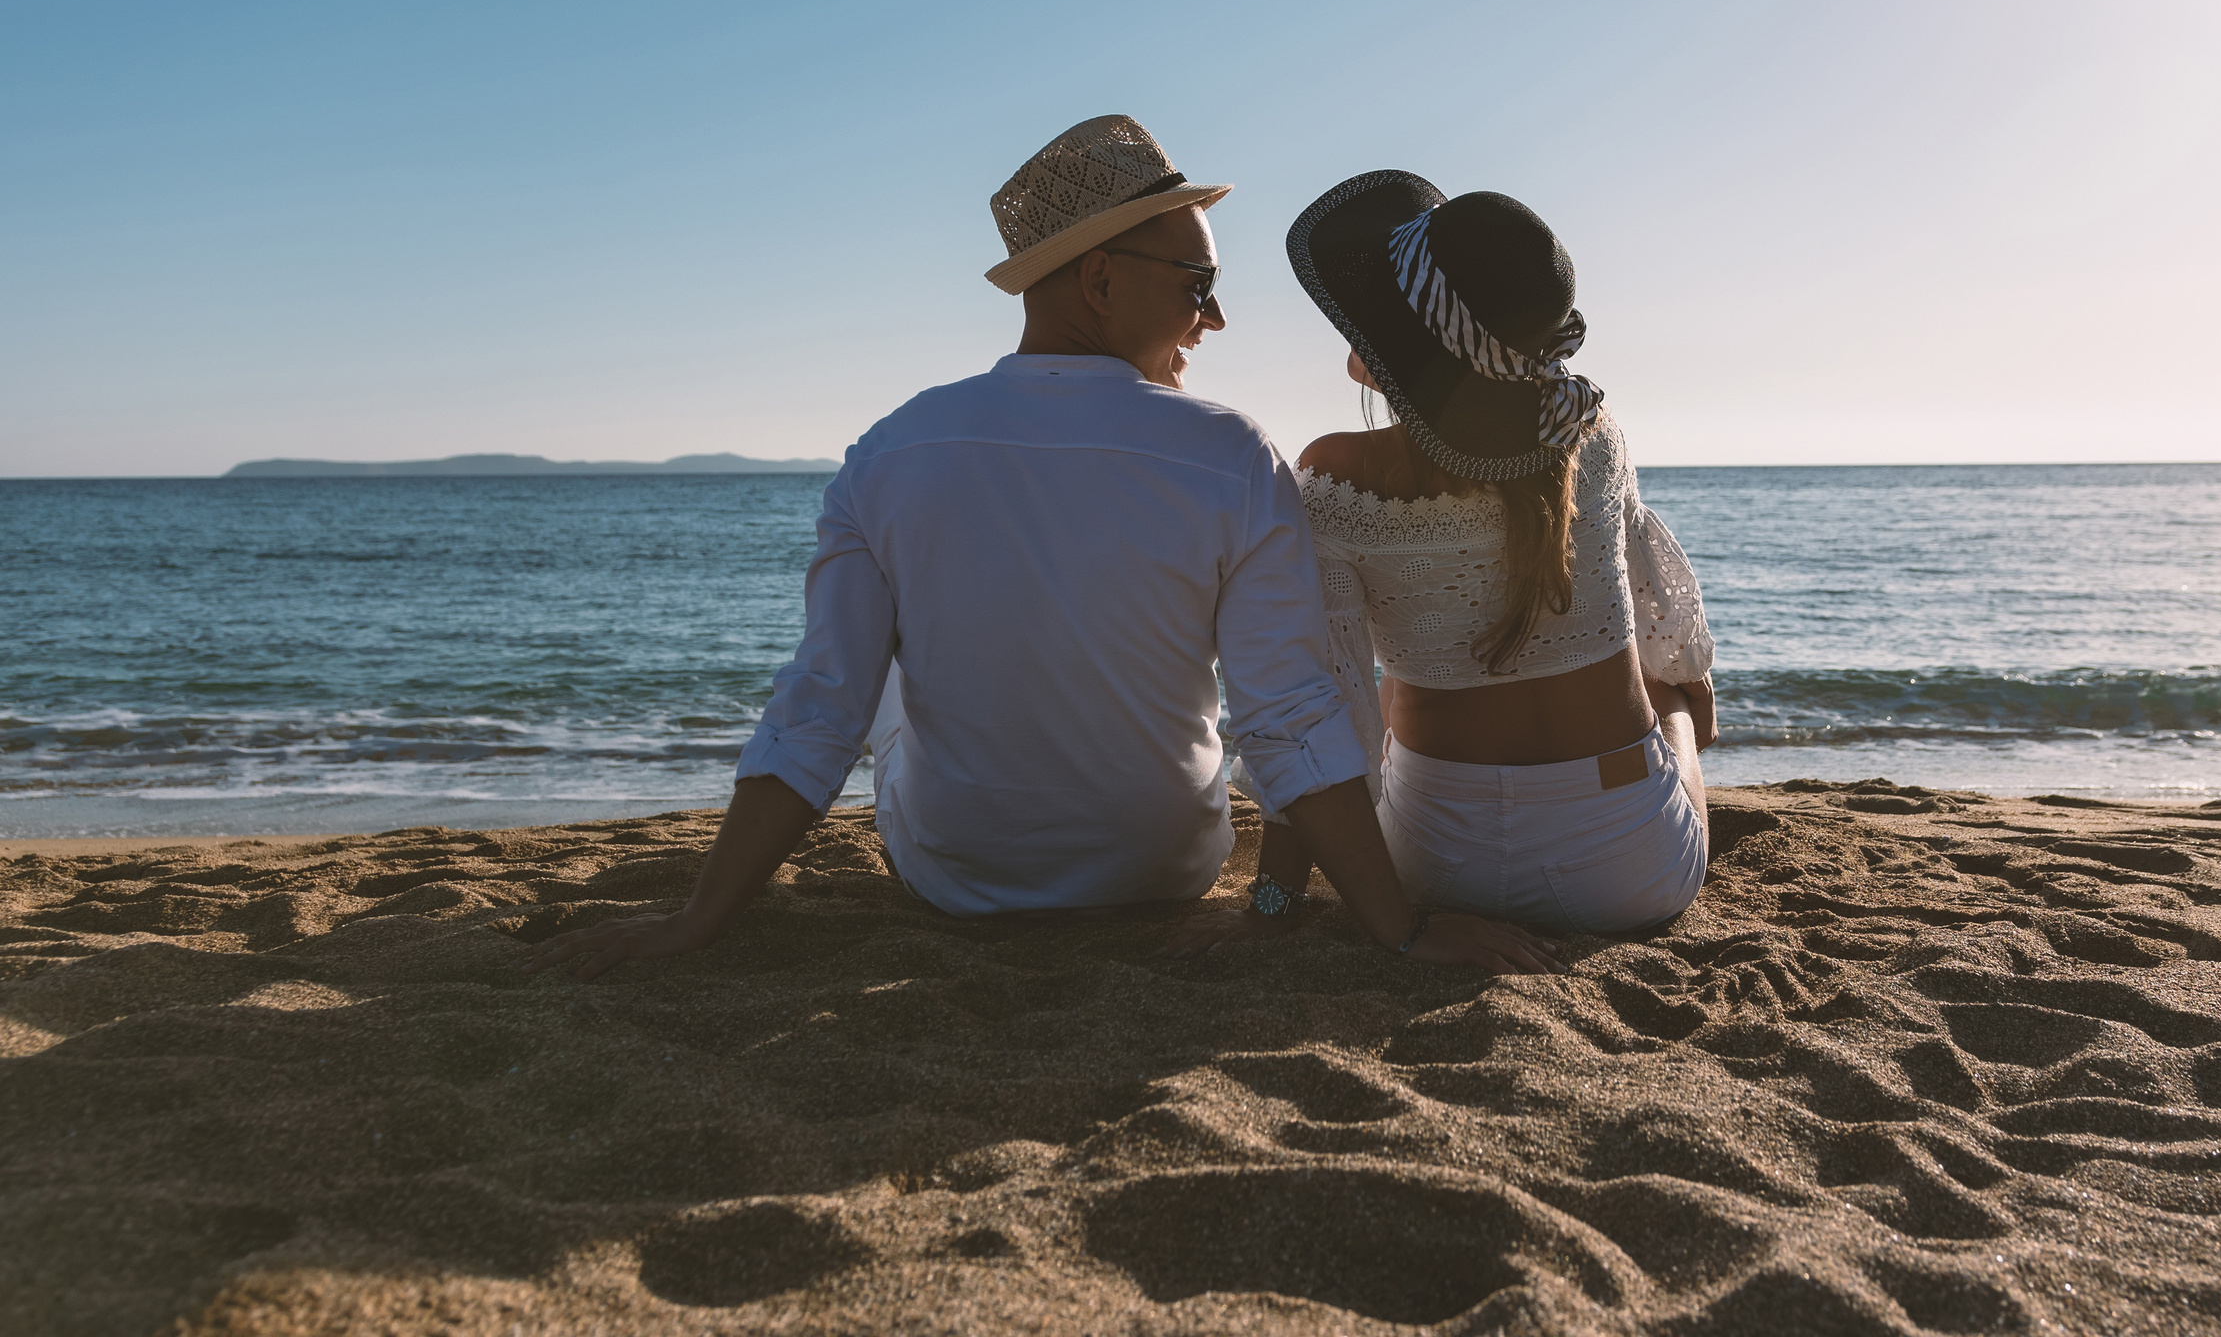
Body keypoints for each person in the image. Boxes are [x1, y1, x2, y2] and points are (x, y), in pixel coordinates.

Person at [522, 119, 1563, 981]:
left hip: (959, 881)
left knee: (867, 678)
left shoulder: (890, 450)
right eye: (1196, 283)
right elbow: (1285, 713)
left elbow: (817, 716)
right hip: (1165, 866)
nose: (1217, 317)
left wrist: (694, 923)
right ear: (1101, 280)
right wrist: (1402, 928)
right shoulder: (1232, 454)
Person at [1175, 173, 1716, 954]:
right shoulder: (1595, 439)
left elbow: (1319, 704)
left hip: (1435, 858)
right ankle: (1680, 728)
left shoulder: (1334, 478)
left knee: (1395, 682)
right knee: (1668, 696)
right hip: (1625, 872)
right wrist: (1681, 697)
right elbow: (1651, 623)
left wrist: (1272, 904)